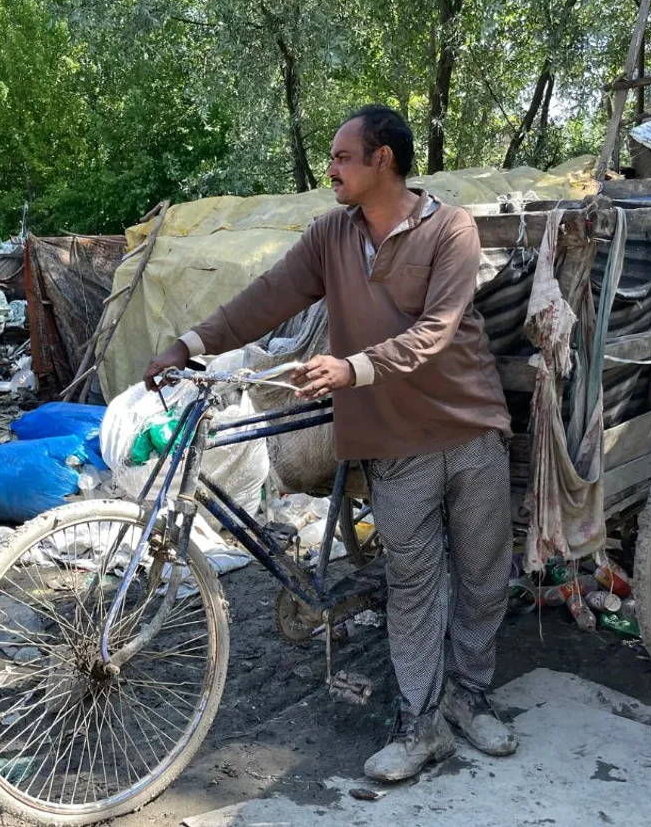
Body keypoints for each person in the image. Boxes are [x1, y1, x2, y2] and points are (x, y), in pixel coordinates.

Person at [144, 105, 517, 782]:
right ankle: (420, 724)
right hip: (393, 442)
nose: (332, 168)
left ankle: (472, 697)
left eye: (343, 156)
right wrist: (190, 343)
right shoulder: (330, 238)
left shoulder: (450, 229)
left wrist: (352, 368)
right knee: (412, 585)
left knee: (485, 576)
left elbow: (437, 330)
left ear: (384, 160)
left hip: (468, 428)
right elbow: (267, 296)